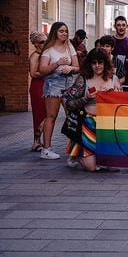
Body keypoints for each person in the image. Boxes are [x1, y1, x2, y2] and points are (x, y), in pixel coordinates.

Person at [64, 48, 121, 172]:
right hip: (88, 124)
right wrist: (86, 98)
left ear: (105, 63)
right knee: (91, 167)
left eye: (100, 62)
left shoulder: (114, 79)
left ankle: (92, 154)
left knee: (112, 165)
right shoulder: (83, 79)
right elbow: (69, 103)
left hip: (108, 127)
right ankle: (77, 154)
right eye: (93, 62)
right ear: (89, 64)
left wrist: (116, 94)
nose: (97, 66)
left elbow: (122, 105)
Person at [38, 22, 80, 160]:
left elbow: (77, 67)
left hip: (69, 84)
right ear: (55, 32)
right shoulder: (48, 50)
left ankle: (74, 148)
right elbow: (42, 69)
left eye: (66, 31)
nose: (64, 33)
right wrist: (57, 63)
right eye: (61, 31)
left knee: (72, 116)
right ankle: (46, 149)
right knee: (51, 116)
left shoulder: (70, 47)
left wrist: (71, 68)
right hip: (53, 84)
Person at [28, 32, 47, 152]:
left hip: (46, 85)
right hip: (38, 86)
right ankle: (36, 142)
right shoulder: (35, 56)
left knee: (48, 113)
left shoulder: (46, 55)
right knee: (40, 114)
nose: (45, 44)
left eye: (46, 41)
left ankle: (42, 141)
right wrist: (48, 71)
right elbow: (33, 73)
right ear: (35, 45)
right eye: (42, 42)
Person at [112, 16, 128, 91]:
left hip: (127, 80)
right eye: (118, 25)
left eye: (123, 25)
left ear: (127, 26)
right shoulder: (110, 42)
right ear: (114, 26)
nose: (121, 27)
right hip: (110, 79)